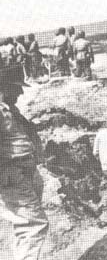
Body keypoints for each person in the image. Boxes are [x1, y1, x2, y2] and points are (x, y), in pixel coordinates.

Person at [0, 64, 49, 260]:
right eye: (16, 87)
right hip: (12, 172)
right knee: (34, 225)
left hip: (23, 169)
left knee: (25, 224)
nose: (20, 92)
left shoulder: (10, 110)